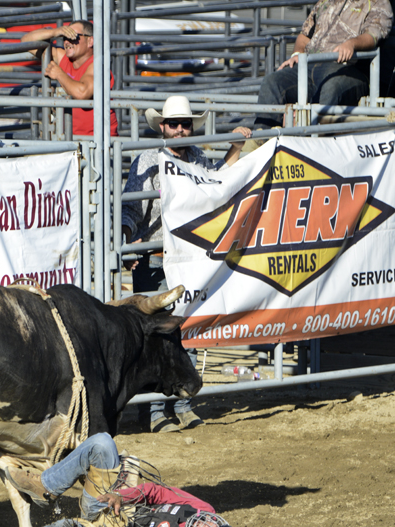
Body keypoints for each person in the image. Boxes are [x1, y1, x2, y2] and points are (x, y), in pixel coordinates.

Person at [121, 96, 252, 433]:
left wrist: (235, 149)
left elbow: (219, 189)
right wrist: (130, 241)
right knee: (157, 336)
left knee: (185, 330)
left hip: (189, 259)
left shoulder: (197, 157)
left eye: (185, 124)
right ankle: (154, 411)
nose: (180, 130)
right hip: (155, 258)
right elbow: (130, 211)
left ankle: (181, 403)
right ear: (162, 127)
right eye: (174, 124)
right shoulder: (149, 160)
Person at [0, 433, 243, 527]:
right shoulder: (204, 509)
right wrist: (120, 496)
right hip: (113, 501)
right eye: (212, 525)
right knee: (102, 442)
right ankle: (45, 486)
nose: (204, 525)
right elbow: (160, 492)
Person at [255, 0, 392, 130]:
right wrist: (296, 54)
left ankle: (317, 140)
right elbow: (304, 36)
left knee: (332, 87)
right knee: (272, 82)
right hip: (308, 66)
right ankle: (262, 141)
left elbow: (373, 36)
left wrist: (352, 43)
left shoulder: (379, 3)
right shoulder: (325, 2)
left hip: (346, 69)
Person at [21, 20, 118, 137]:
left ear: (90, 41)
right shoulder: (64, 59)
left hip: (98, 143)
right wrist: (55, 32)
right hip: (71, 138)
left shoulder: (98, 64)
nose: (67, 42)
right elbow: (26, 41)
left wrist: (59, 74)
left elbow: (82, 93)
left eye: (73, 36)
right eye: (65, 37)